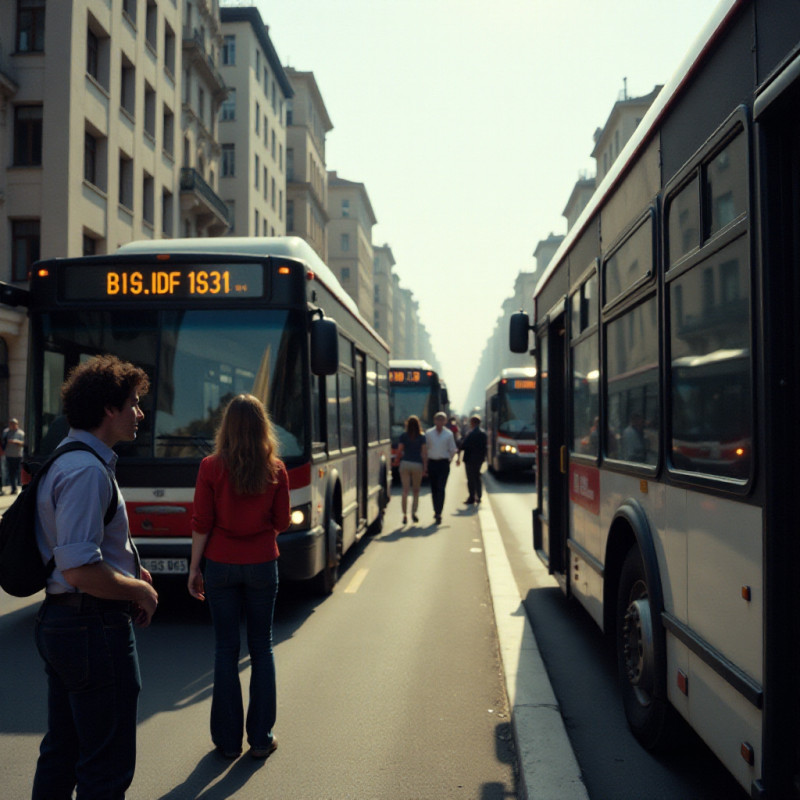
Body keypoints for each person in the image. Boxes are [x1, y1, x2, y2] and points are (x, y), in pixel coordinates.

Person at [32, 355, 158, 800]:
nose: (140, 413)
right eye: (134, 403)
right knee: (106, 766)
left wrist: (125, 569)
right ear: (109, 409)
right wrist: (140, 589)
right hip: (93, 628)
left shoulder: (71, 458)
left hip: (68, 624)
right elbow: (81, 569)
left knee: (63, 752)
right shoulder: (87, 471)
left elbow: (82, 552)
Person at [189, 394, 291, 760]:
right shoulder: (275, 468)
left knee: (225, 650)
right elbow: (281, 522)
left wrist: (194, 568)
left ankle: (228, 743)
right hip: (263, 563)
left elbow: (202, 522)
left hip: (220, 564)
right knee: (261, 648)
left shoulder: (210, 467)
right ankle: (261, 739)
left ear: (226, 426)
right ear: (263, 428)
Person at [425, 411, 458, 524]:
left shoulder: (448, 434)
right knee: (434, 488)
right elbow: (425, 449)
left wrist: (449, 459)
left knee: (441, 488)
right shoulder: (429, 433)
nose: (439, 422)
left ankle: (439, 512)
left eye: (442, 419)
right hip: (432, 463)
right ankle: (436, 510)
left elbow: (453, 449)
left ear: (445, 421)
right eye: (437, 419)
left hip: (443, 463)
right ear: (434, 421)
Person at [394, 415, 428, 524]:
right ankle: (414, 513)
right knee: (416, 491)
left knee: (405, 490)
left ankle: (404, 515)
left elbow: (399, 451)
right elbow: (424, 453)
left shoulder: (403, 436)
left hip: (405, 464)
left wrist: (396, 461)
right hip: (417, 464)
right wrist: (425, 467)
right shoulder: (422, 437)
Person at [459, 414, 488, 505]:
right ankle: (479, 496)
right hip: (479, 459)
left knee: (470, 479)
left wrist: (462, 441)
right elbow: (484, 447)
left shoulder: (470, 434)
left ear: (472, 423)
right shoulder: (483, 434)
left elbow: (464, 446)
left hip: (469, 459)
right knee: (477, 477)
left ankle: (472, 497)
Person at [2, 417, 25, 493]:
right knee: (11, 472)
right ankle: (13, 488)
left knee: (17, 472)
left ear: (16, 424)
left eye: (13, 424)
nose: (12, 425)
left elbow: (24, 443)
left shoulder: (20, 433)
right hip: (9, 455)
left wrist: (16, 441)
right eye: (11, 423)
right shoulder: (6, 432)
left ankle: (19, 486)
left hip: (18, 455)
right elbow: (3, 441)